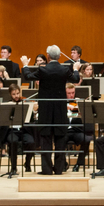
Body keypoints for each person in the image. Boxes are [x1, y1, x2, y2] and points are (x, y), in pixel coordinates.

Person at [20, 45, 81, 175]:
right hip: (60, 110)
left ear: (47, 56)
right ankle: (59, 169)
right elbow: (76, 79)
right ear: (59, 56)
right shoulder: (64, 69)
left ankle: (47, 169)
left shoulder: (43, 70)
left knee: (46, 139)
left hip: (46, 110)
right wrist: (76, 69)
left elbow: (27, 77)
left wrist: (25, 64)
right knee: (60, 139)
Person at [0, 83, 37, 175]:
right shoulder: (7, 105)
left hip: (23, 130)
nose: (16, 96)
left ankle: (27, 163)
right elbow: (2, 121)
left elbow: (30, 120)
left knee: (31, 142)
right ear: (10, 94)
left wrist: (33, 111)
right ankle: (13, 167)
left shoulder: (25, 103)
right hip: (11, 130)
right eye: (14, 94)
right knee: (13, 141)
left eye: (18, 93)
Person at [63, 82, 91, 172]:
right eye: (69, 93)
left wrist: (81, 109)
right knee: (59, 140)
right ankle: (63, 163)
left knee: (86, 139)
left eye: (73, 93)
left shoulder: (78, 102)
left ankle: (79, 164)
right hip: (64, 131)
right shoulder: (61, 103)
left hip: (76, 130)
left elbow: (86, 117)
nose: (71, 95)